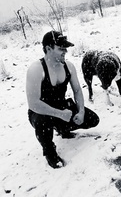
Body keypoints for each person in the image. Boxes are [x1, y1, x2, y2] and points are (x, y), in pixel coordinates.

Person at [26, 30, 100, 169]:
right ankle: (49, 151)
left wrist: (81, 111)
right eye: (61, 48)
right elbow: (33, 104)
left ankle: (63, 130)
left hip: (62, 106)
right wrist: (60, 114)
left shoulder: (68, 66)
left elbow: (77, 90)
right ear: (48, 49)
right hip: (41, 112)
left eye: (65, 48)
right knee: (43, 122)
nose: (65, 51)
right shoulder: (36, 69)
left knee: (92, 120)